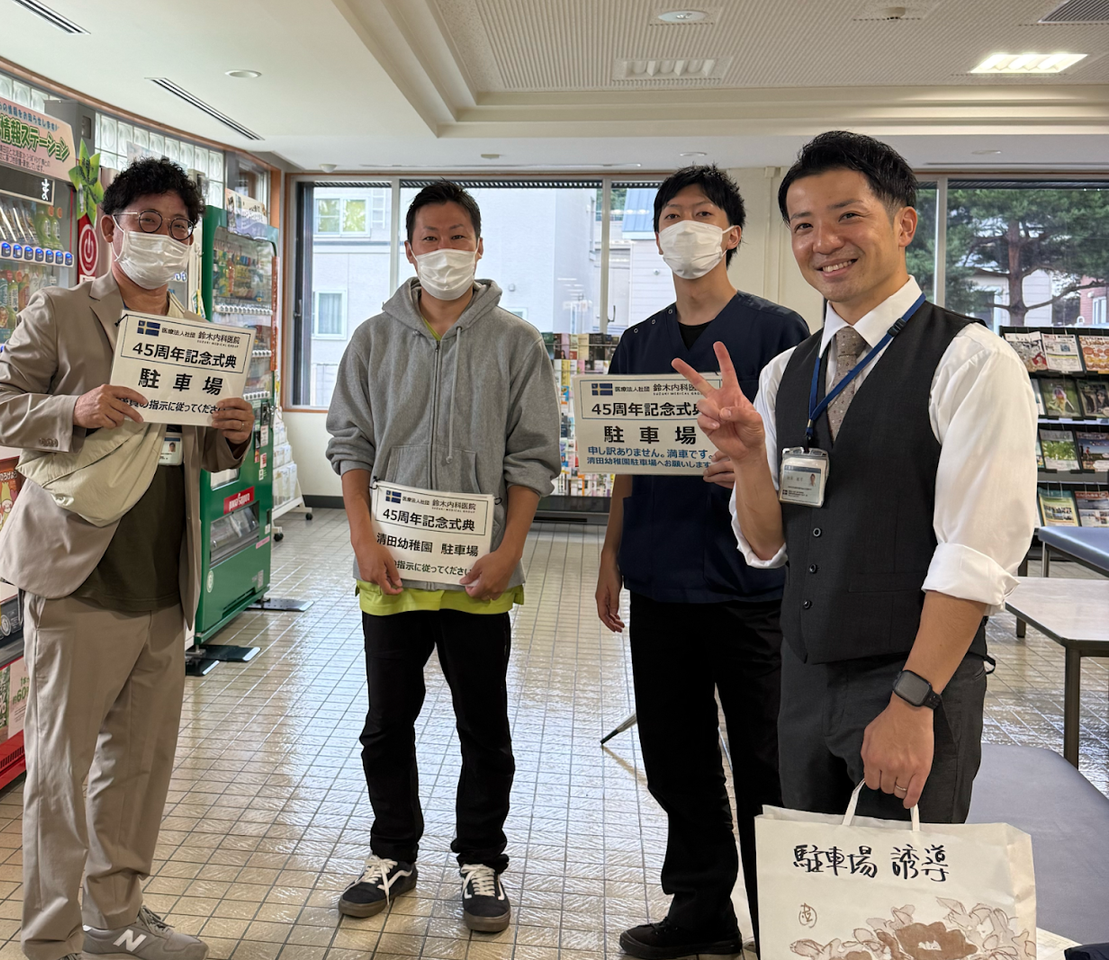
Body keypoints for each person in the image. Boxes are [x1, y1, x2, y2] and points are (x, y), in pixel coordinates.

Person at [676, 131, 1037, 828]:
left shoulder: (971, 361)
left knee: (897, 888)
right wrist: (749, 459)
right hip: (805, 681)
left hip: (910, 685)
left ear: (903, 225)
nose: (823, 242)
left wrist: (912, 701)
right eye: (803, 225)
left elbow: (975, 555)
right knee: (811, 877)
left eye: (848, 216)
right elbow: (767, 545)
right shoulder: (787, 372)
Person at [0, 157, 253, 960]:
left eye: (178, 227)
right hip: (78, 577)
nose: (163, 238)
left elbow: (202, 452)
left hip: (164, 580)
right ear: (110, 229)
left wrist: (232, 434)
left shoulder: (197, 334)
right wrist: (77, 407)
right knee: (59, 774)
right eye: (147, 222)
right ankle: (49, 938)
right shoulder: (62, 311)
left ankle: (115, 919)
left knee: (138, 769)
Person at [325, 180, 561, 933]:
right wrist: (361, 536)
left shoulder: (516, 343)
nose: (444, 250)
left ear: (479, 246)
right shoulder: (373, 339)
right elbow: (350, 444)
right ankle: (392, 852)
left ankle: (481, 860)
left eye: (458, 236)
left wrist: (509, 550)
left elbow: (533, 457)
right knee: (386, 724)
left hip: (476, 575)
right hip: (392, 571)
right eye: (430, 237)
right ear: (409, 249)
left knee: (483, 726)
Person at [596, 166, 808, 958]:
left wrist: (755, 470)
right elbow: (622, 462)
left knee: (764, 760)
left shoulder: (780, 332)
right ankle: (701, 908)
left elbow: (807, 454)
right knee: (674, 756)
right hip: (659, 579)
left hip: (752, 587)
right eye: (671, 216)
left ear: (732, 234)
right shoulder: (638, 343)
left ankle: (786, 921)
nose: (685, 226)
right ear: (657, 238)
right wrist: (611, 552)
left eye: (703, 214)